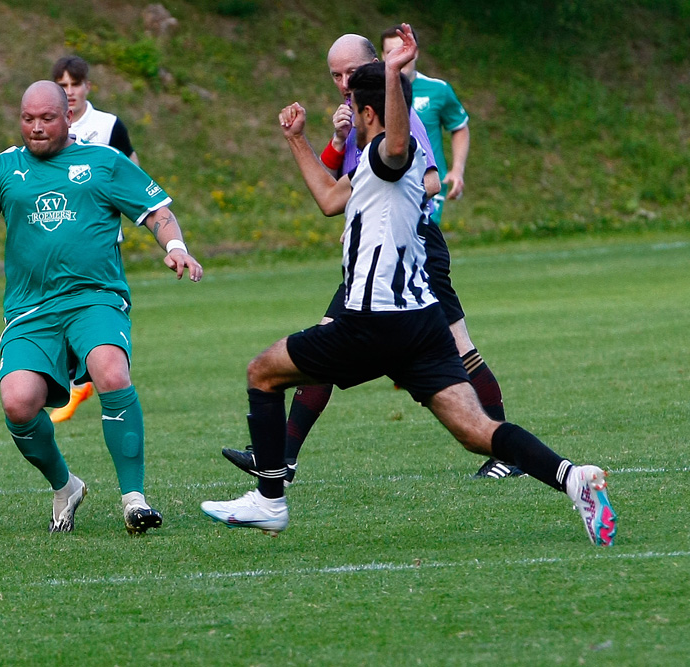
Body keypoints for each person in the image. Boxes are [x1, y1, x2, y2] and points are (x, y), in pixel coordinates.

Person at [201, 25, 616, 548]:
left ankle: (269, 498)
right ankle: (574, 477)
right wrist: (298, 141)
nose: (346, 107)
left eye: (354, 98)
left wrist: (395, 73)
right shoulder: (376, 164)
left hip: (372, 320)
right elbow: (330, 199)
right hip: (418, 322)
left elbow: (394, 142)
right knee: (474, 432)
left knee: (261, 372)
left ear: (371, 113)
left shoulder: (389, 155)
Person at [0, 81, 203, 535]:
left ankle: (134, 499)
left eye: (46, 118)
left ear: (68, 116)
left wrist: (176, 246)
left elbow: (157, 212)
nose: (35, 127)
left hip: (94, 297)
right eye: (27, 119)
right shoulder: (6, 168)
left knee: (111, 369)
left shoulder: (103, 162)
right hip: (32, 310)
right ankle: (65, 485)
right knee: (18, 404)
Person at [221, 31, 520, 481]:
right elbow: (336, 191)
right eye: (335, 75)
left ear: (374, 67)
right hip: (369, 263)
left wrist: (390, 213)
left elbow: (429, 178)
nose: (342, 82)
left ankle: (507, 454)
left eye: (351, 72)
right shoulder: (357, 116)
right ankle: (282, 456)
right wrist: (338, 141)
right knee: (322, 344)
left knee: (461, 348)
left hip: (410, 253)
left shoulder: (396, 112)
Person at [49, 55, 141, 424]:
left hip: (100, 243)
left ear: (88, 86)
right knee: (58, 308)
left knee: (94, 310)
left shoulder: (108, 126)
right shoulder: (50, 127)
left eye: (74, 85)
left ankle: (87, 382)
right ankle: (74, 381)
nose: (69, 92)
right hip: (57, 238)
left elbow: (132, 171)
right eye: (62, 85)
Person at [381, 24, 468, 226]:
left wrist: (457, 169)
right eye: (390, 52)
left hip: (428, 183)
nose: (398, 58)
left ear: (415, 52)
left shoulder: (438, 90)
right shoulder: (375, 93)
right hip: (388, 183)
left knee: (421, 240)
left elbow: (459, 127)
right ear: (383, 56)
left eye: (403, 50)